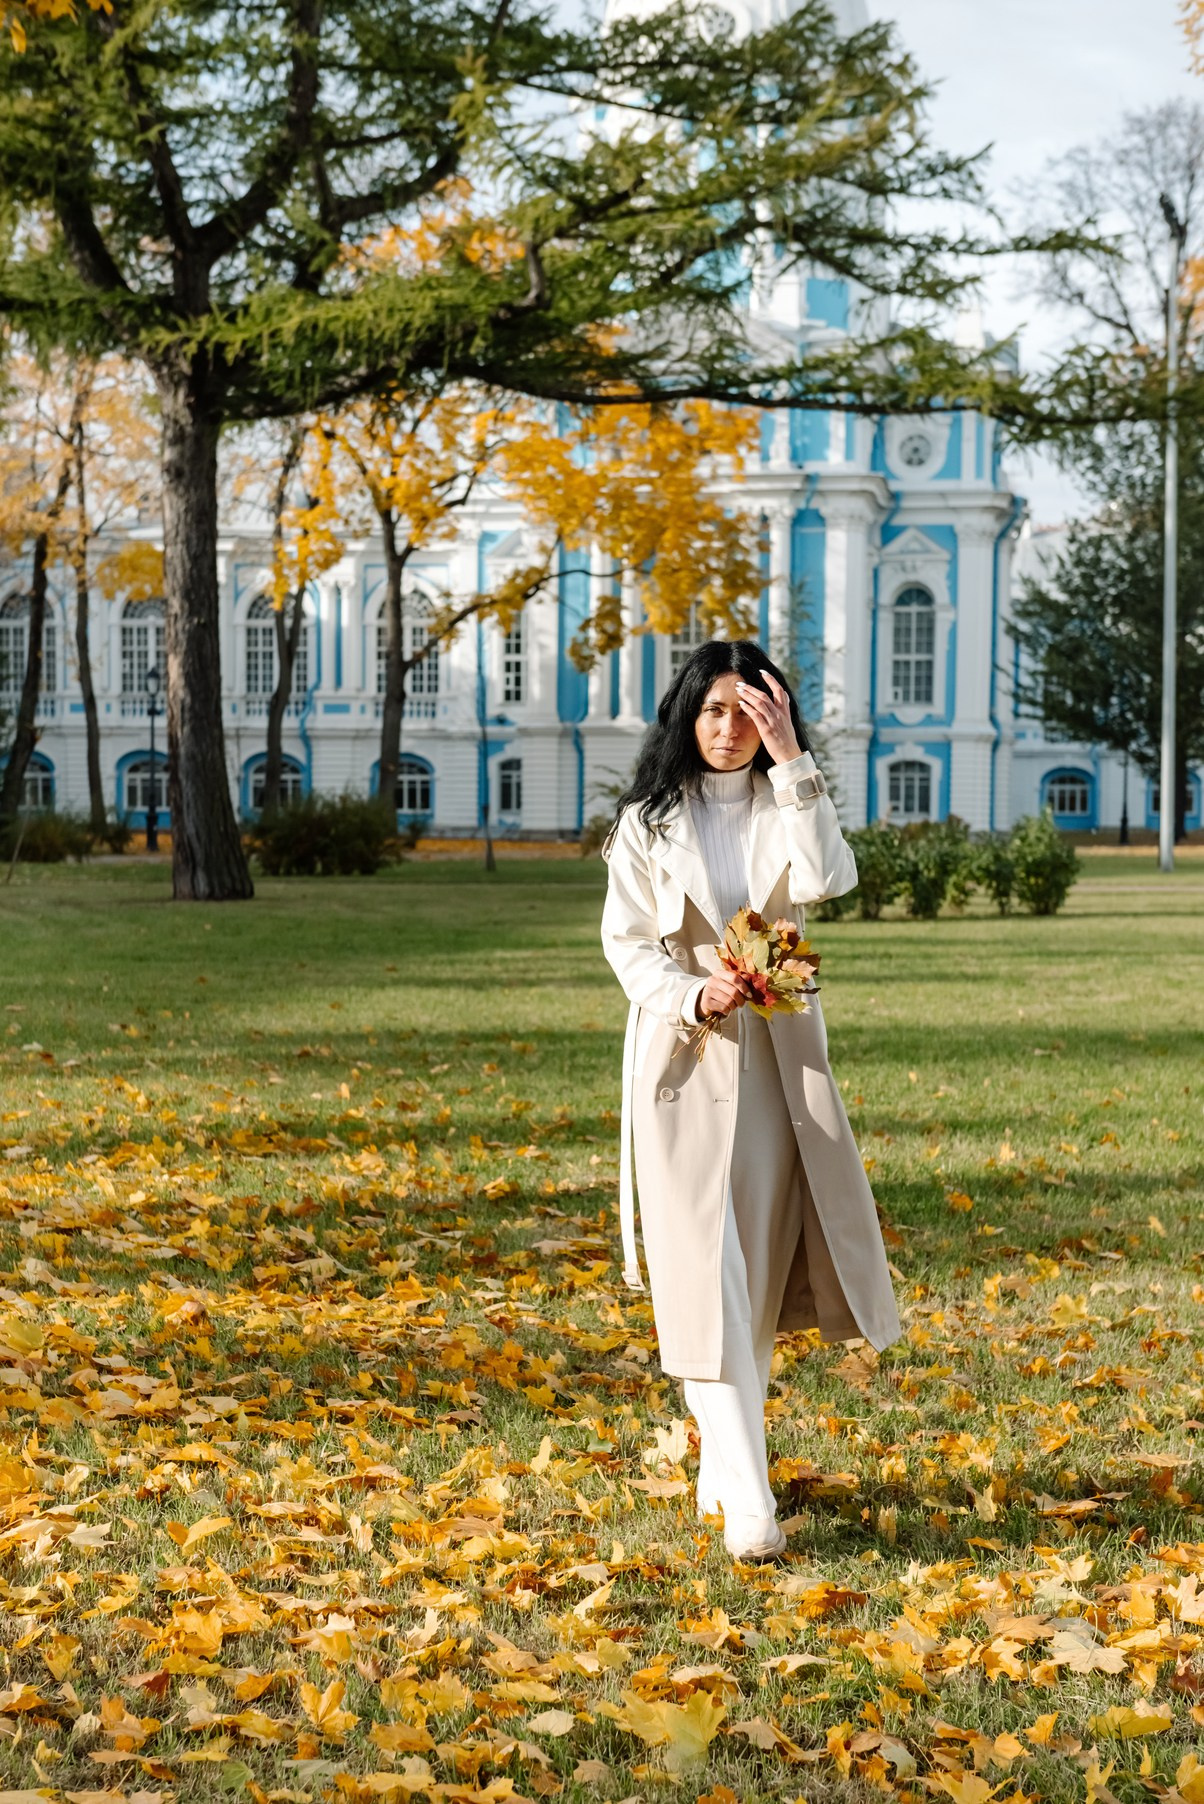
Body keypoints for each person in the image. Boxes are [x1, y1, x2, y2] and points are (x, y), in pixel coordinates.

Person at [600, 639, 901, 1563]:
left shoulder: (787, 801)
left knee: (754, 1274)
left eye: (750, 712)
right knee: (701, 1273)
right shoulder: (646, 823)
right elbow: (625, 944)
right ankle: (753, 1500)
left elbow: (828, 880)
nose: (730, 729)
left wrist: (795, 764)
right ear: (686, 717)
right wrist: (694, 992)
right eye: (714, 710)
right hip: (683, 1059)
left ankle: (725, 1468)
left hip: (779, 1062)